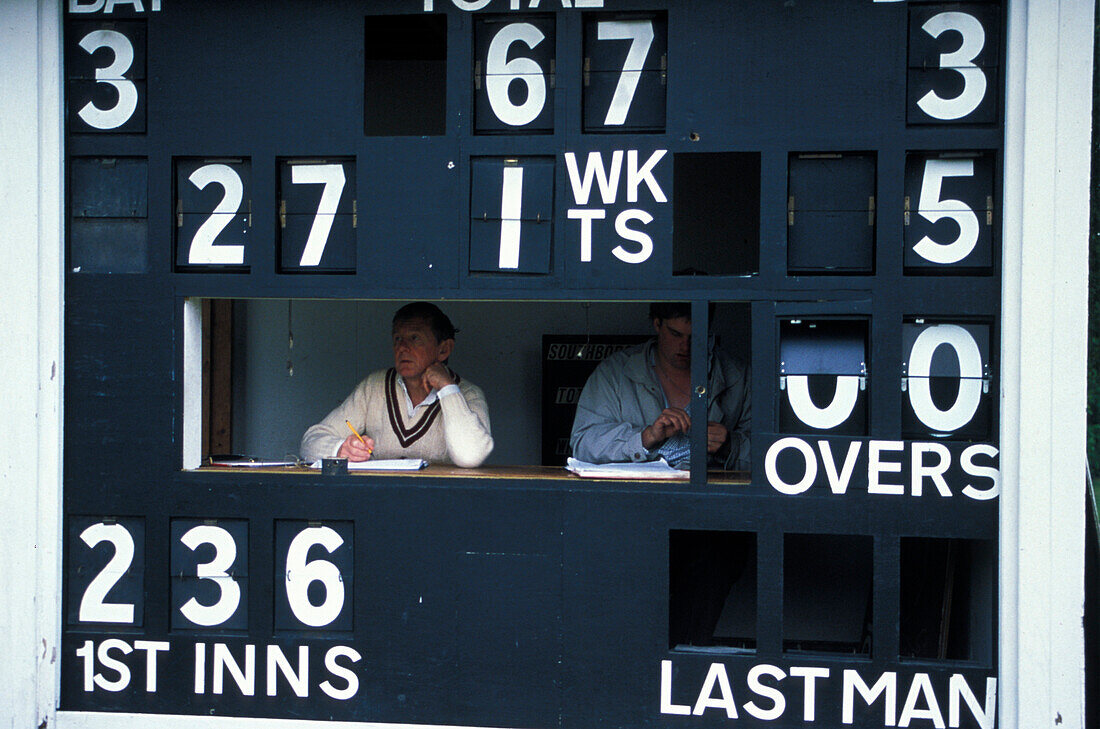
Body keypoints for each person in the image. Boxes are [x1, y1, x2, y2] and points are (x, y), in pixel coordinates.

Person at [300, 302, 493, 467]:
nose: (402, 348)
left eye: (414, 338)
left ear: (444, 349)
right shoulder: (375, 385)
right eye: (397, 339)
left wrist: (447, 388)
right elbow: (310, 442)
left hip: (440, 503)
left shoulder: (468, 393)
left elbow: (470, 457)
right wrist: (341, 449)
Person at [569, 302, 750, 471]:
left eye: (696, 336)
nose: (685, 346)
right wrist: (646, 437)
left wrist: (730, 446)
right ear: (657, 324)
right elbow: (583, 443)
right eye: (675, 334)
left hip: (712, 499)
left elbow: (771, 451)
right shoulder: (615, 372)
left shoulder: (736, 375)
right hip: (636, 496)